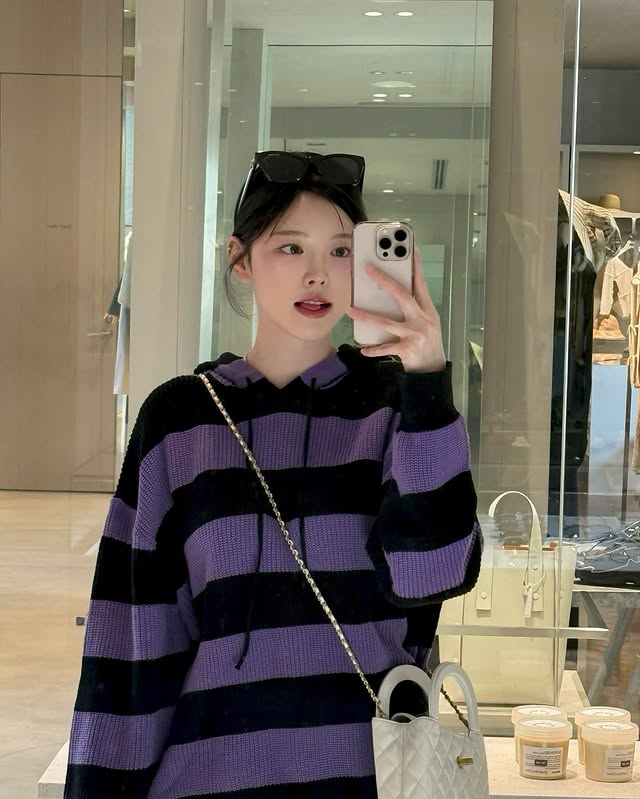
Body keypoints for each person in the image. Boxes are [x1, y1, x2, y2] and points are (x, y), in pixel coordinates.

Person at [64, 151, 481, 798]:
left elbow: (436, 573)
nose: (318, 273)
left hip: (368, 776)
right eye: (290, 247)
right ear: (240, 258)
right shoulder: (181, 420)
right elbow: (129, 641)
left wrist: (427, 380)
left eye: (340, 250)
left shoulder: (393, 408)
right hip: (206, 780)